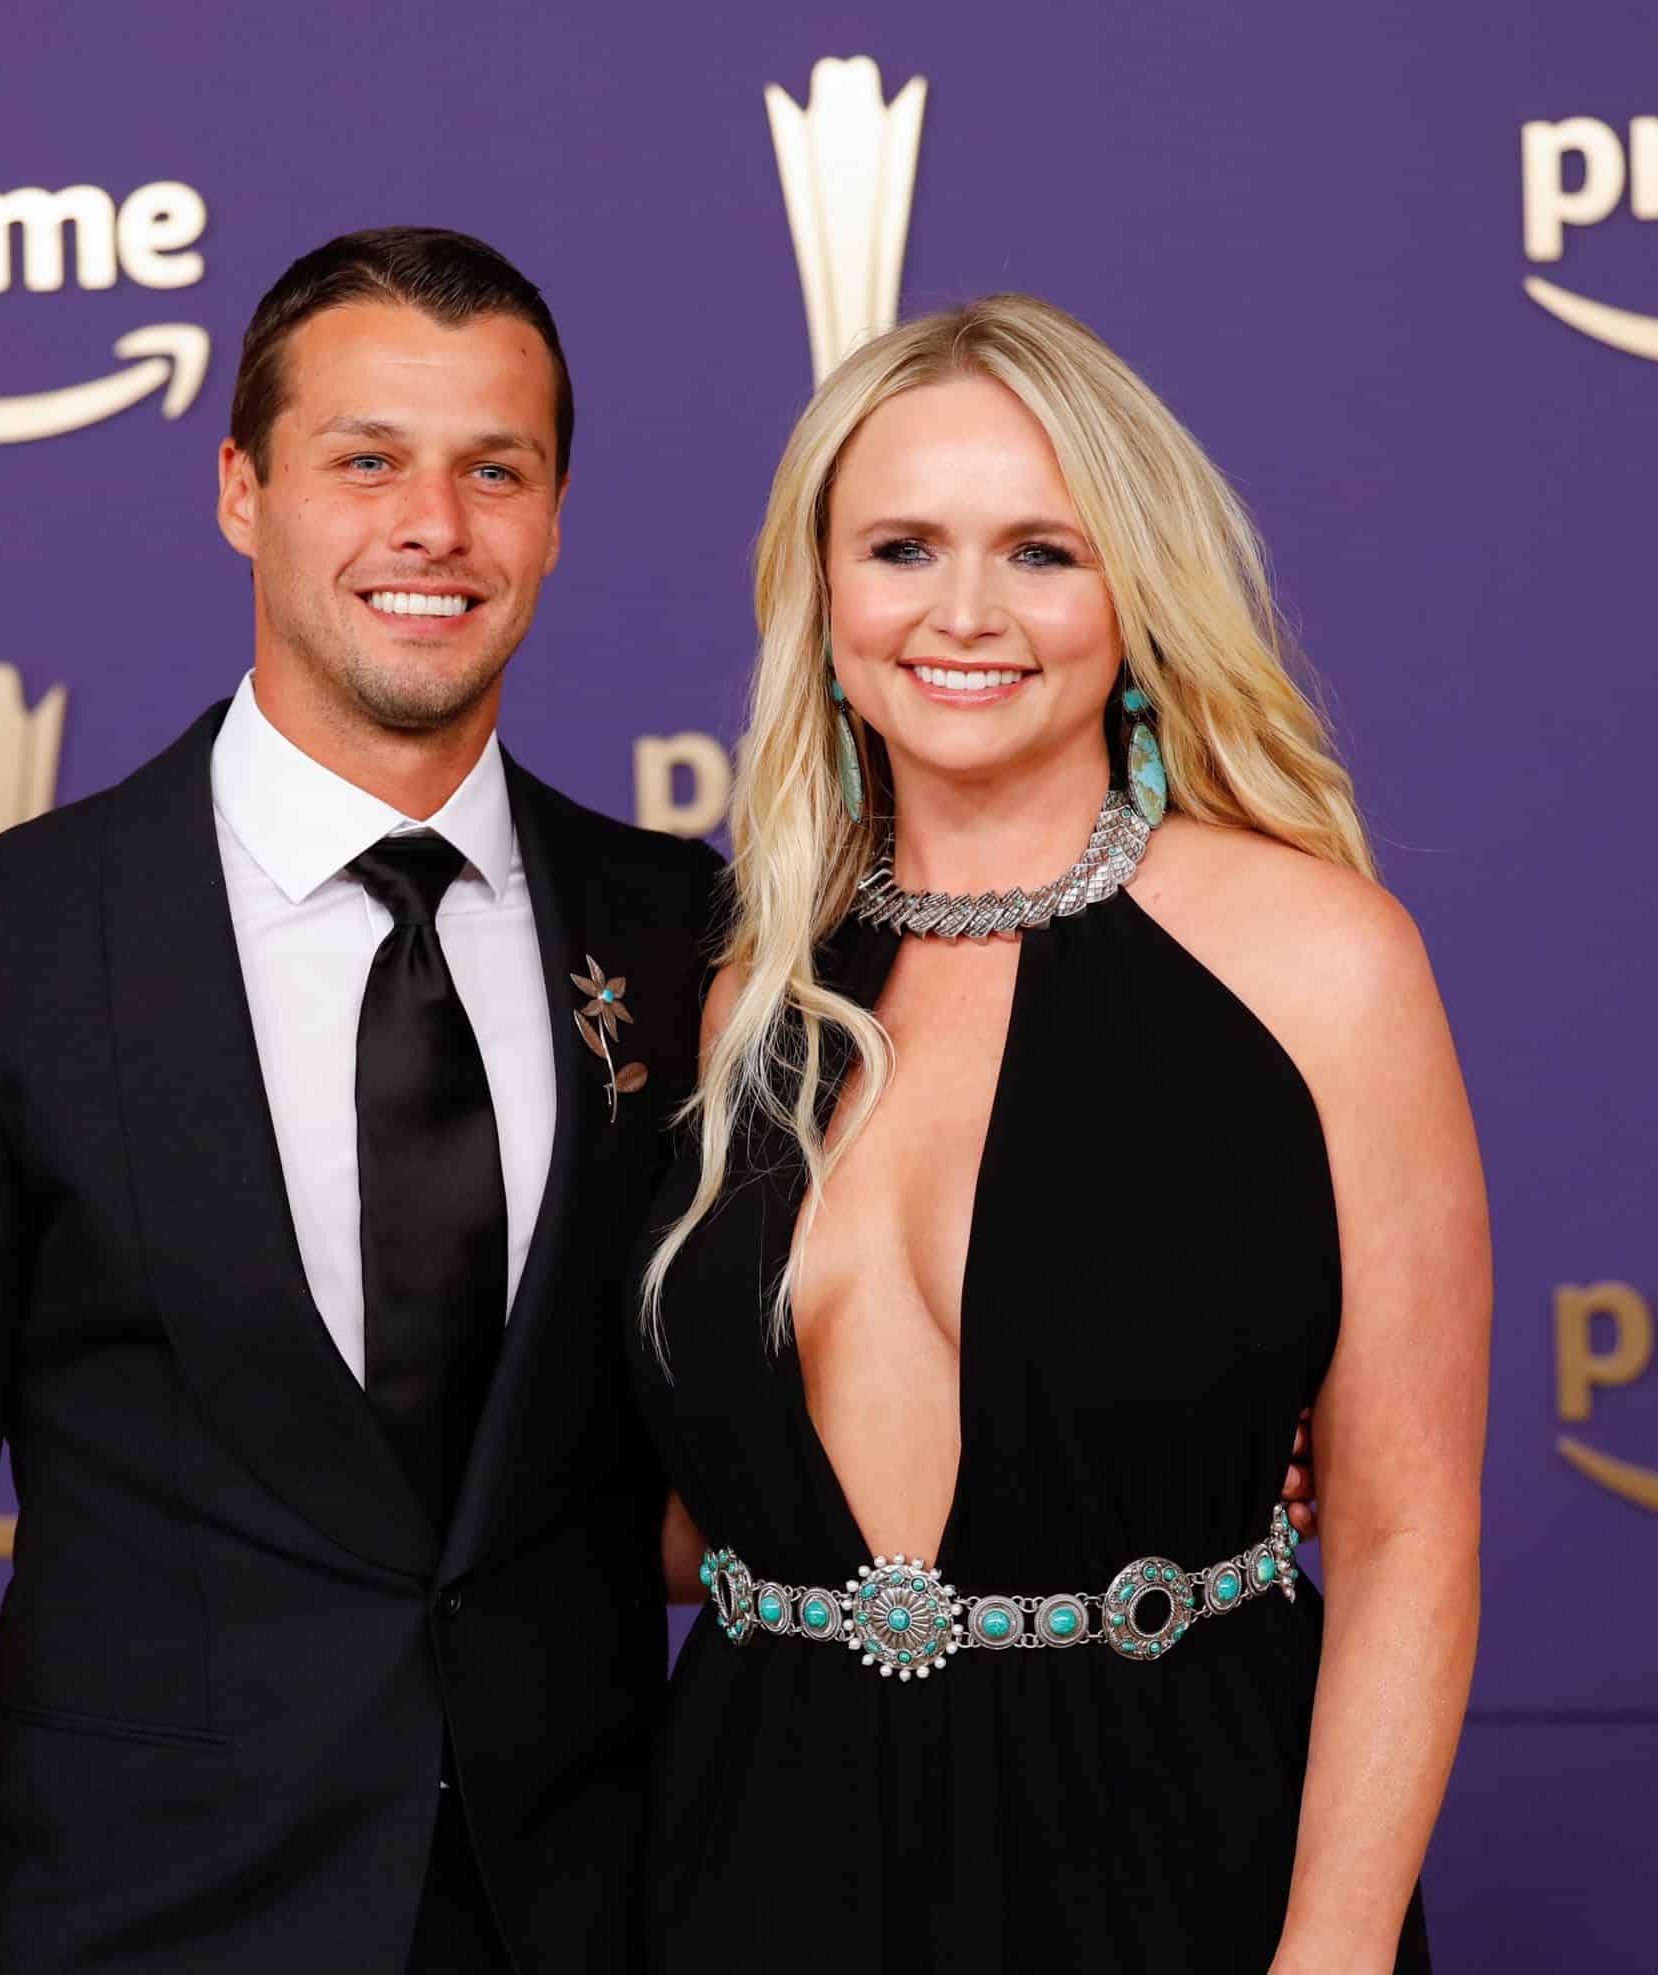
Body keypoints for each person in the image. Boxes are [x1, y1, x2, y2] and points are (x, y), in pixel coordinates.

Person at [0, 228, 729, 1974]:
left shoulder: (681, 929)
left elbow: (770, 1407)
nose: (433, 526)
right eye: (365, 461)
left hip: (584, 1910)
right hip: (138, 1923)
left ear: (555, 516)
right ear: (239, 492)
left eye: (492, 470)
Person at [630, 296, 1487, 1972]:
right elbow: (678, 1501)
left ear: (1133, 595)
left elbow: (1406, 1536)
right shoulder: (743, 994)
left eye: (1040, 551)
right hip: (755, 1854)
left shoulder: (1321, 962)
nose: (963, 612)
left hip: (1173, 1846)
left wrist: (1331, 1957)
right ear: (820, 596)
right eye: (900, 547)